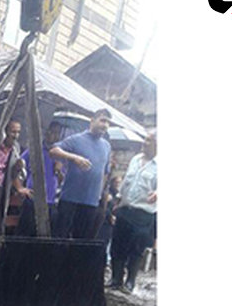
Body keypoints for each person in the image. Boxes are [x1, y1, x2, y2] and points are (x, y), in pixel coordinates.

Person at [49, 109, 114, 239]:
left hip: (91, 203)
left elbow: (105, 173)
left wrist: (100, 195)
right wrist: (74, 158)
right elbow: (53, 151)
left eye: (108, 123)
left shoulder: (106, 146)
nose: (105, 125)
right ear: (92, 120)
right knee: (60, 239)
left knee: (82, 242)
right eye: (102, 120)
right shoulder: (76, 139)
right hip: (70, 200)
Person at [108, 131, 158, 292]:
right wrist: (118, 199)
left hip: (143, 214)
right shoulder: (136, 159)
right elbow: (126, 182)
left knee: (136, 249)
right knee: (117, 245)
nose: (144, 143)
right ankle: (116, 279)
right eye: (145, 139)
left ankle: (130, 282)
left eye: (149, 141)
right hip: (125, 209)